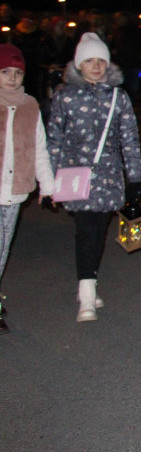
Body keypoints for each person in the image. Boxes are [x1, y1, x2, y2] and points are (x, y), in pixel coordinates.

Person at [47, 33, 141, 322]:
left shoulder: (118, 96)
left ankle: (87, 283)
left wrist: (135, 176)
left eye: (101, 60)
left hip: (109, 177)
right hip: (75, 177)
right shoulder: (65, 96)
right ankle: (87, 295)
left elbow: (130, 138)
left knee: (98, 233)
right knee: (86, 232)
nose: (96, 66)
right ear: (79, 65)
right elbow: (54, 138)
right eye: (89, 60)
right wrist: (49, 178)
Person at [0, 44, 55, 334]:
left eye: (18, 72)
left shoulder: (30, 105)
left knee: (3, 247)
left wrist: (47, 184)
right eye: (5, 71)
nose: (12, 77)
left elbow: (39, 149)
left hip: (16, 190)